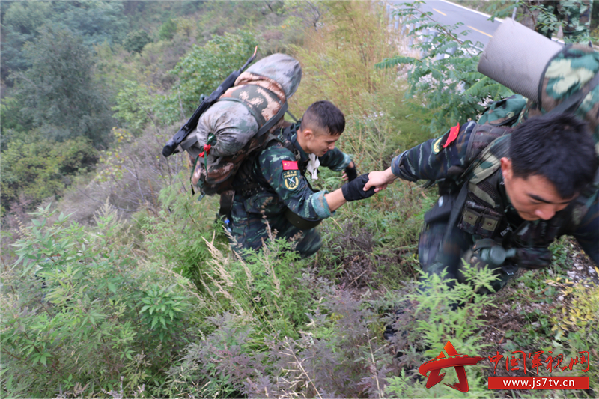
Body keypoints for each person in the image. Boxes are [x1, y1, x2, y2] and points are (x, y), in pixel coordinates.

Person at [365, 112, 598, 297]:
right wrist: (387, 174)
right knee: (436, 282)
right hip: (463, 216)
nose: (547, 214)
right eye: (537, 200)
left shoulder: (583, 201)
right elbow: (421, 158)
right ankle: (402, 334)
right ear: (507, 168)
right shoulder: (473, 145)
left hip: (506, 242)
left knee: (476, 288)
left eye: (559, 205)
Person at [229, 100, 376, 258]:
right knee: (256, 270)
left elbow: (332, 155)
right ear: (308, 135)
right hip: (253, 215)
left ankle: (280, 259)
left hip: (279, 206)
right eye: (329, 142)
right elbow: (304, 205)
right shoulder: (279, 158)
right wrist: (349, 192)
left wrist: (349, 166)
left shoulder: (302, 139)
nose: (332, 146)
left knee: (309, 244)